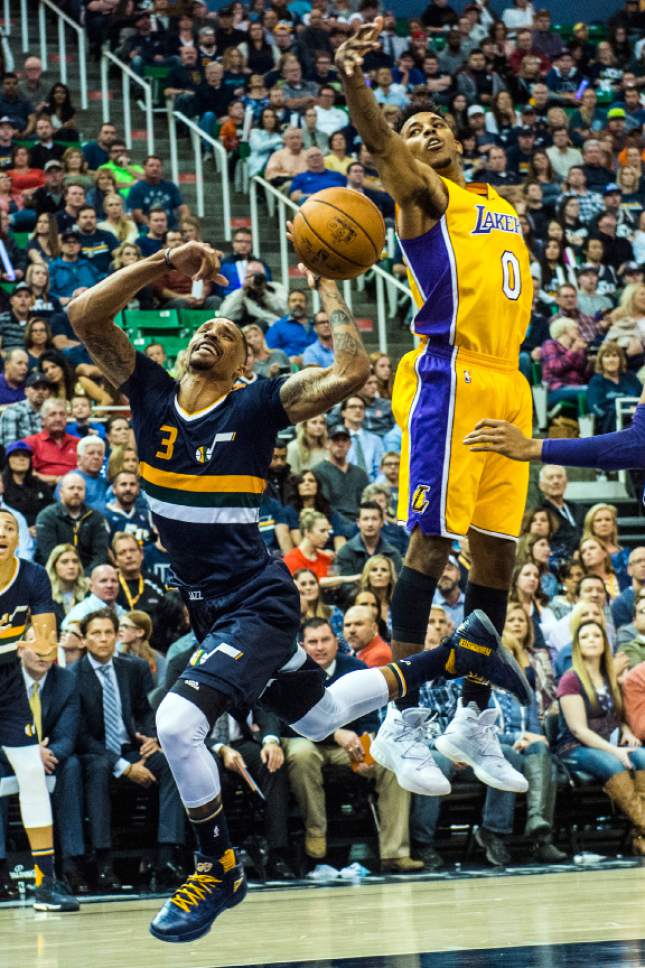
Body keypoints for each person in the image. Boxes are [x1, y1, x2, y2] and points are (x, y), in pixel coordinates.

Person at [66, 238, 530, 942]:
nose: (210, 334)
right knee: (315, 718)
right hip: (213, 605)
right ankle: (452, 658)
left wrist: (332, 285)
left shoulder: (253, 407)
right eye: (202, 327)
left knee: (175, 725)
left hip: (256, 601)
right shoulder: (152, 396)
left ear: (245, 364)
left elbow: (348, 371)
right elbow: (85, 316)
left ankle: (216, 865)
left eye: (227, 334)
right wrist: (164, 266)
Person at [334, 17, 533, 793]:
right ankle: (402, 717)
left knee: (497, 558)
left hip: (509, 381)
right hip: (450, 376)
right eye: (413, 129)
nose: (426, 131)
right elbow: (383, 144)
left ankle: (473, 719)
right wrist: (357, 86)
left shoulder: (494, 201)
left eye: (437, 123)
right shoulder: (421, 197)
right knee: (428, 547)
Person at [73, 609, 185, 890]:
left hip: (130, 747)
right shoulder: (72, 675)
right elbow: (81, 735)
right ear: (85, 640)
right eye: (96, 634)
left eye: (108, 632)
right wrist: (124, 767)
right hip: (94, 753)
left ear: (116, 636)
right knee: (98, 769)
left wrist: (151, 738)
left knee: (171, 763)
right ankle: (103, 865)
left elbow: (146, 712)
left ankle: (167, 858)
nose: (103, 639)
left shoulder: (133, 667)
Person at [0, 509, 78, 910]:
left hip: (10, 687)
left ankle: (45, 883)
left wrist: (40, 645)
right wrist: (22, 644)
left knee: (32, 773)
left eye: (10, 527)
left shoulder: (31, 577)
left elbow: (47, 642)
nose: (1, 532)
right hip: (10, 664)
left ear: (19, 538)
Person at [556, 619, 645, 854]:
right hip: (574, 748)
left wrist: (626, 732)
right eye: (585, 637)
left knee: (643, 757)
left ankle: (640, 837)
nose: (592, 640)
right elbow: (578, 729)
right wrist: (615, 750)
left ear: (605, 643)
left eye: (596, 635)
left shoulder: (610, 677)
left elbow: (618, 716)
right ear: (577, 645)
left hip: (610, 743)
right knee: (612, 762)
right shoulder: (571, 679)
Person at [45, 543, 89, 628]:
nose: (71, 566)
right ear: (54, 566)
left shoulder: (88, 592)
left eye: (75, 561)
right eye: (65, 562)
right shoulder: (45, 596)